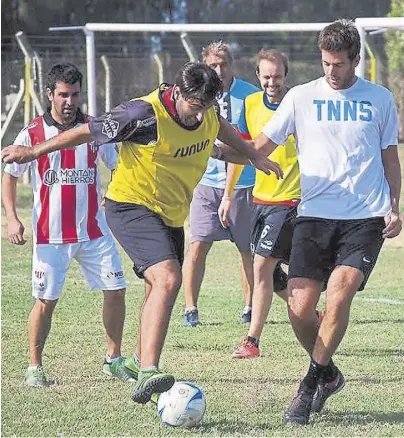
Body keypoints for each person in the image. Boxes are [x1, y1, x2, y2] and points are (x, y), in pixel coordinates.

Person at [2, 61, 283, 404]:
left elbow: (221, 130)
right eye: (196, 106)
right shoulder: (141, 114)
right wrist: (32, 152)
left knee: (155, 287)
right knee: (168, 278)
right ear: (178, 92)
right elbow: (87, 131)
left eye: (207, 107)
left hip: (170, 213)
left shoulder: (206, 112)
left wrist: (254, 155)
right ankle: (149, 370)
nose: (200, 115)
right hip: (130, 205)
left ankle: (136, 361)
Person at [252, 20, 402, 425]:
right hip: (314, 216)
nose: (330, 72)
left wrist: (394, 206)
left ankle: (307, 386)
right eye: (324, 63)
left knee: (338, 296)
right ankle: (330, 374)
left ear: (356, 60)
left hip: (364, 218)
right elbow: (260, 147)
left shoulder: (380, 99)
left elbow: (390, 159)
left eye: (338, 64)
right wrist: (210, 144)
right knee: (300, 309)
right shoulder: (301, 97)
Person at [1, 63, 134, 387]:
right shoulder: (31, 133)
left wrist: (112, 196)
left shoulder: (93, 129)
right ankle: (35, 367)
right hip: (51, 236)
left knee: (116, 290)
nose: (69, 101)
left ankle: (113, 359)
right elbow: (10, 175)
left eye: (75, 94)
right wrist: (11, 217)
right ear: (50, 94)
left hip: (93, 231)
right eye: (63, 94)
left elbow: (118, 165)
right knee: (46, 302)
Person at [219, 49, 303, 359]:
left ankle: (252, 340)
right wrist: (228, 195)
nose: (272, 82)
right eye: (266, 76)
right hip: (260, 199)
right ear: (258, 76)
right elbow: (243, 152)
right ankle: (312, 316)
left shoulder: (298, 104)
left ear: (286, 74)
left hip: (291, 199)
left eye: (277, 76)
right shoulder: (251, 104)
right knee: (272, 274)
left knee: (262, 266)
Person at [183, 41, 259, 327]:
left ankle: (250, 306)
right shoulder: (197, 96)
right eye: (213, 65)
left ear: (232, 65)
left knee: (246, 249)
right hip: (205, 183)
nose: (218, 70)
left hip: (243, 185)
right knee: (198, 245)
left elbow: (255, 141)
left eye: (223, 64)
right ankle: (190, 309)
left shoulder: (250, 96)